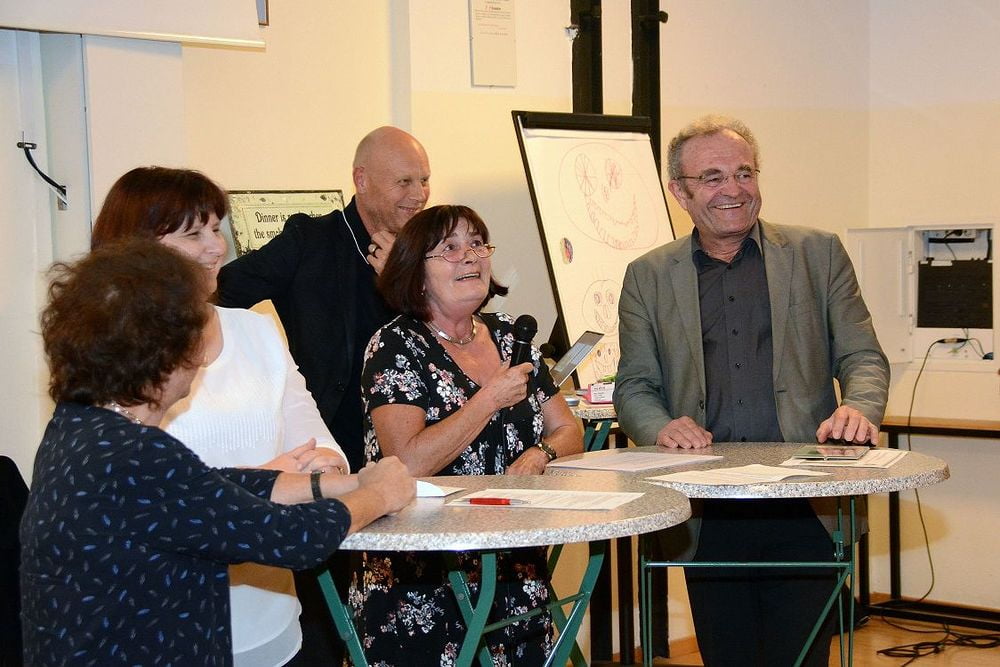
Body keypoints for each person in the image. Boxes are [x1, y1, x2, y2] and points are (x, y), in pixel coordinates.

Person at [20, 240, 415, 666]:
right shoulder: (135, 455)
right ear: (166, 352)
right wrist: (377, 494)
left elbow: (210, 491)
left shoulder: (79, 427)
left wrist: (329, 485)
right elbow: (290, 538)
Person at [613, 115, 889, 666]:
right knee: (727, 655)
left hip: (807, 500)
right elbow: (635, 384)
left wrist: (859, 406)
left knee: (801, 656)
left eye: (744, 172)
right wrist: (660, 426)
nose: (733, 189)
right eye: (712, 177)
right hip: (705, 508)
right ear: (680, 192)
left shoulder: (818, 253)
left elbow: (862, 355)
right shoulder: (648, 275)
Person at [89, 166, 350, 666]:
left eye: (216, 228)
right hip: (169, 631)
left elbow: (318, 439)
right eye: (194, 234)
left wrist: (323, 468)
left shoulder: (255, 329)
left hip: (275, 620)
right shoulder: (113, 353)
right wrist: (272, 479)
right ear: (137, 249)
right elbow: (144, 500)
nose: (217, 247)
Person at [349, 204, 582, 665]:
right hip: (424, 575)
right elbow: (407, 464)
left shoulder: (511, 337)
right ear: (416, 273)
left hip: (513, 562)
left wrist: (540, 452)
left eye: (477, 244)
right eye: (450, 248)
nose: (470, 256)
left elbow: (567, 429)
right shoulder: (395, 345)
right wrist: (488, 399)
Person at [217, 126, 431, 472]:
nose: (419, 195)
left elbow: (452, 334)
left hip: (417, 438)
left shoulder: (432, 247)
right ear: (361, 180)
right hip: (332, 441)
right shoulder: (308, 242)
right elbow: (218, 293)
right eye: (404, 182)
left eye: (424, 180)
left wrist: (406, 280)